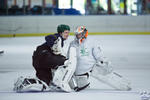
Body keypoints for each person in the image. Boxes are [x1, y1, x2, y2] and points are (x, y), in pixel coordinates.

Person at [13, 24, 77, 92]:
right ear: (60, 33)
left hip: (38, 61)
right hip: (44, 56)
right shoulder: (57, 37)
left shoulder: (60, 41)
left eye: (68, 32)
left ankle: (24, 82)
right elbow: (48, 37)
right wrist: (53, 43)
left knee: (45, 83)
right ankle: (61, 82)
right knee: (66, 62)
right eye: (66, 32)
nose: (67, 34)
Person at [68, 26, 131, 91]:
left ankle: (124, 85)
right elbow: (69, 56)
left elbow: (98, 54)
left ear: (84, 33)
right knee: (84, 88)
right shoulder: (72, 44)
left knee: (108, 77)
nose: (78, 36)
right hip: (79, 71)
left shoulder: (91, 42)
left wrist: (103, 60)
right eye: (77, 34)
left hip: (92, 66)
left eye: (80, 34)